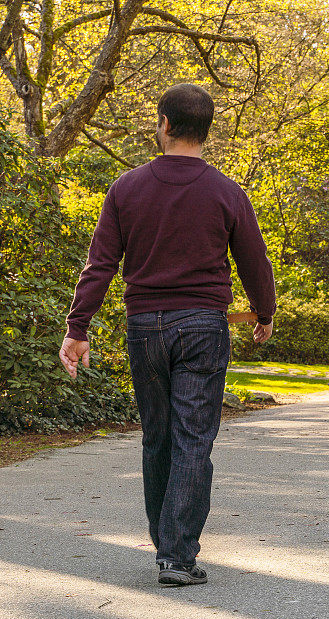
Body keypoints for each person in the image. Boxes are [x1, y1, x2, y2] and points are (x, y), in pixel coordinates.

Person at [59, 83, 276, 586]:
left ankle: (167, 546)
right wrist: (264, 312)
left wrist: (78, 327)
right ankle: (177, 555)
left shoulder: (126, 187)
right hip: (203, 326)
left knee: (158, 438)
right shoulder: (226, 191)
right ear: (206, 128)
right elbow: (254, 260)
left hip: (144, 328)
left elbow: (101, 265)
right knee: (193, 440)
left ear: (165, 124)